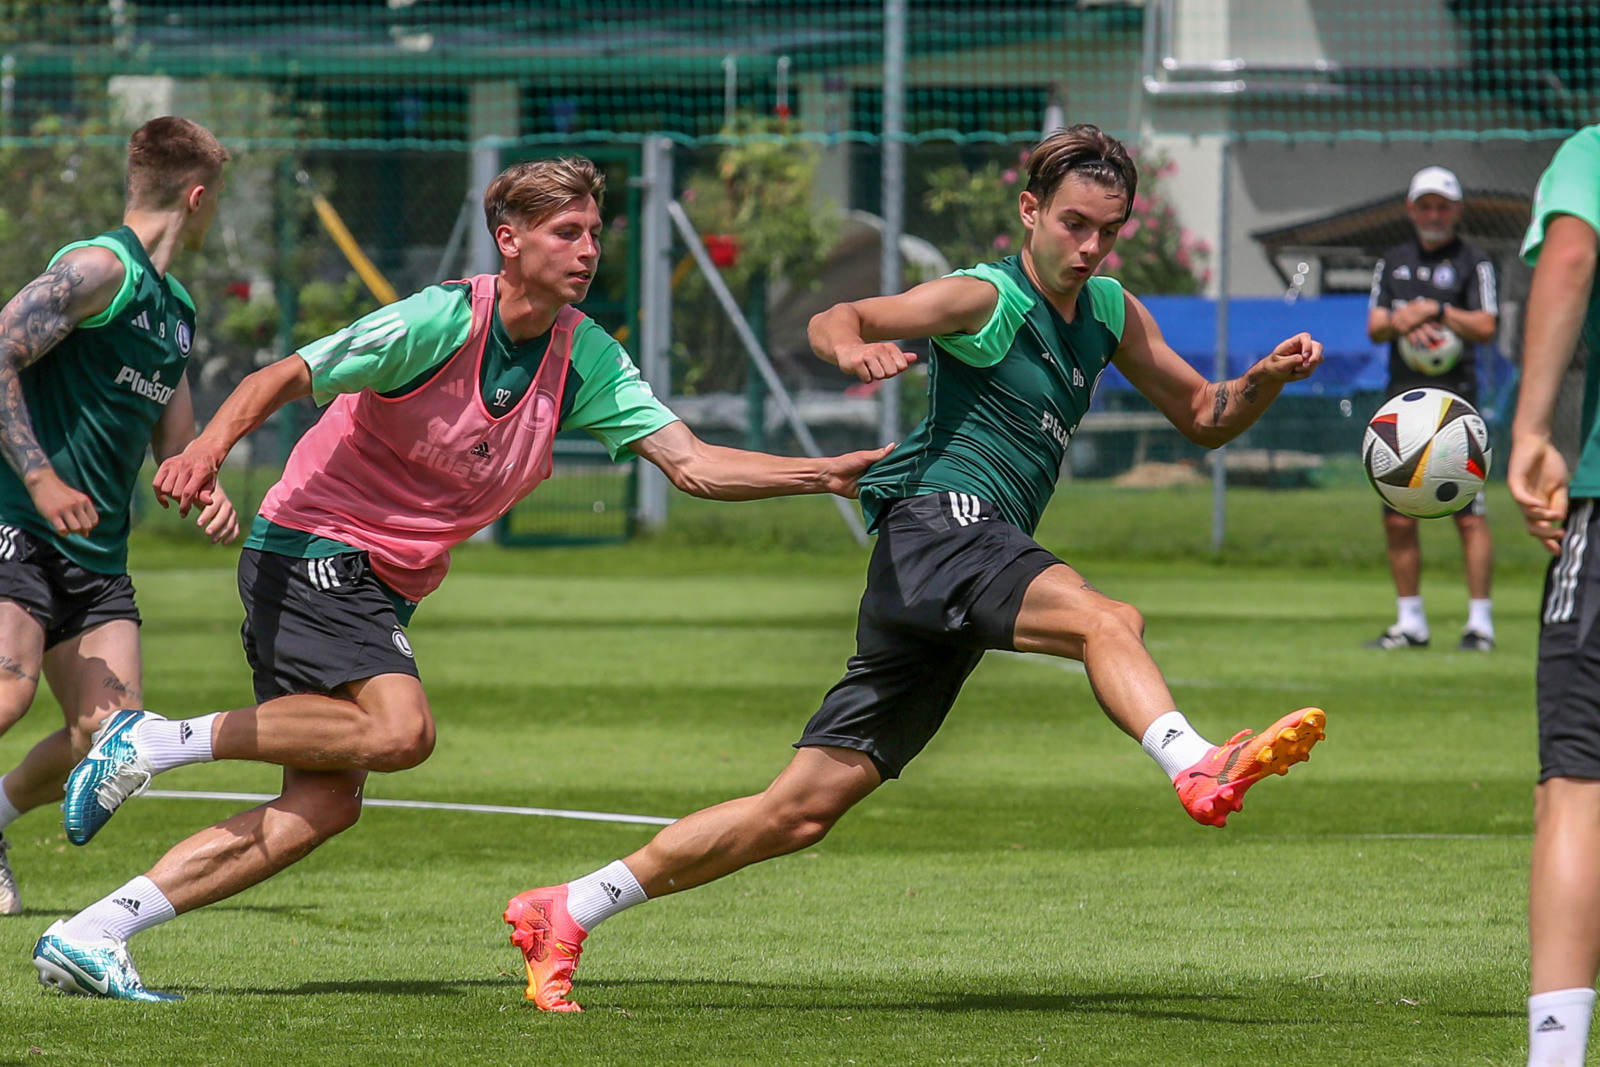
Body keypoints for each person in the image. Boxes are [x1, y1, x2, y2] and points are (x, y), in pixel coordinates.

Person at [501, 124, 1329, 1013]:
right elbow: (839, 316)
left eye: (1108, 231)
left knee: (799, 810)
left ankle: (568, 906)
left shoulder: (1112, 314)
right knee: (1106, 617)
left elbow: (1204, 413)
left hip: (947, 566)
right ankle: (1195, 761)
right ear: (1031, 211)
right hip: (941, 527)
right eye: (1075, 224)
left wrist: (1267, 379)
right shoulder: (986, 296)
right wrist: (850, 348)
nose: (1089, 247)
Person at [33, 156, 888, 1001]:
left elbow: (693, 462)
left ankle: (95, 930)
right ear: (509, 241)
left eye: (596, 232)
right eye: (567, 232)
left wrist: (824, 473)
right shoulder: (440, 321)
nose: (589, 248)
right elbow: (283, 375)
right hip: (313, 544)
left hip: (381, 578)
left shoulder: (582, 354)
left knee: (323, 805)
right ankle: (149, 741)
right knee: (401, 731)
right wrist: (206, 451)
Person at [0, 116, 238, 917]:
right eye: (217, 204)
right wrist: (36, 479)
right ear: (197, 198)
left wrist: (204, 484)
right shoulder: (101, 268)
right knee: (6, 695)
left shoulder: (174, 310)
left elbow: (177, 442)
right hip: (17, 523)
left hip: (95, 554)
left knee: (112, 740)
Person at [1508, 122, 1600, 1067]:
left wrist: (1533, 427)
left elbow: (1572, 252)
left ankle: (1556, 1057)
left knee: (1578, 785)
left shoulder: (1593, 150)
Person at [1365, 165, 1500, 651]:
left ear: (1457, 210)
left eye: (1442, 205)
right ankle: (1410, 623)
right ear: (1411, 209)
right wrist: (1403, 318)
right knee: (1398, 514)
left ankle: (1480, 625)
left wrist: (1437, 311)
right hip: (1400, 407)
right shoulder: (1394, 260)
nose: (1434, 214)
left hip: (1456, 408)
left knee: (1469, 513)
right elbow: (1376, 326)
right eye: (1425, 205)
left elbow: (1487, 325)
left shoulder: (1473, 262)